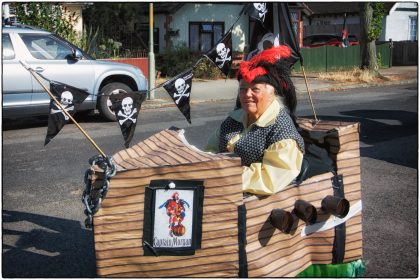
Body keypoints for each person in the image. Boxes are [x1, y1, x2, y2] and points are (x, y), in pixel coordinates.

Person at [206, 45, 305, 195]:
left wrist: (224, 174)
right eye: (243, 89)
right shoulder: (233, 119)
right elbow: (210, 150)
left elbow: (270, 178)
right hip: (223, 191)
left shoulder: (282, 131)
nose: (247, 94)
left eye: (255, 89)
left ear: (272, 93)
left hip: (259, 204)